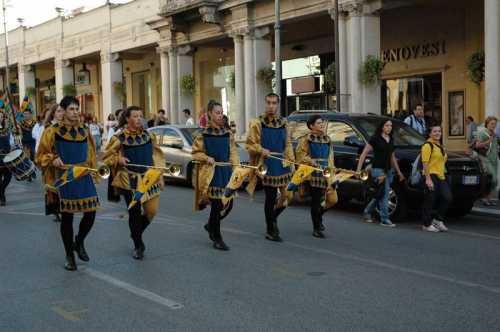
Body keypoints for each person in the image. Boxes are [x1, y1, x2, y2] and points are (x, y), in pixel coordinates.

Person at [35, 96, 100, 271]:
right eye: (71, 109)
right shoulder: (52, 130)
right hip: (64, 178)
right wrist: (53, 158)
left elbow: (91, 154)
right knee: (68, 218)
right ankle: (69, 256)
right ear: (63, 111)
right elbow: (40, 155)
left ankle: (78, 242)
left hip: (84, 175)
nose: (75, 112)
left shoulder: (84, 130)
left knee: (91, 212)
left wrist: (94, 173)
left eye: (77, 108)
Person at [103, 106, 165, 260]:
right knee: (134, 213)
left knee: (151, 211)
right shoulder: (119, 137)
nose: (139, 119)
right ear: (127, 119)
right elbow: (106, 157)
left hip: (149, 179)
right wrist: (119, 159)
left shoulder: (149, 136)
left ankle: (135, 232)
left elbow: (156, 156)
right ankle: (138, 245)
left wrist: (160, 176)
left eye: (140, 116)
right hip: (129, 181)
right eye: (135, 116)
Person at [246, 93, 294, 242]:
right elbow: (249, 144)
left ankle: (272, 218)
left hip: (282, 163)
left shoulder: (284, 122)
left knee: (288, 196)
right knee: (271, 197)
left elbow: (287, 144)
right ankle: (270, 228)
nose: (271, 106)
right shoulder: (257, 122)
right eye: (268, 103)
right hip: (267, 164)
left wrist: (291, 161)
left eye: (274, 103)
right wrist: (261, 149)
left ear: (278, 105)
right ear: (265, 103)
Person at [192, 101, 238, 250]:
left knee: (228, 205)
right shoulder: (202, 135)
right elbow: (195, 154)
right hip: (212, 174)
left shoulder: (228, 133)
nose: (220, 115)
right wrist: (206, 158)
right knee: (217, 205)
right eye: (217, 112)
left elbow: (233, 153)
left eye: (221, 112)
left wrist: (237, 170)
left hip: (226, 173)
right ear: (210, 114)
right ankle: (217, 238)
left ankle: (210, 226)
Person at [356, 119, 404, 227]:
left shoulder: (391, 139)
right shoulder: (375, 139)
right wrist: (358, 170)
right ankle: (385, 219)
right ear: (382, 127)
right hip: (378, 169)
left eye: (390, 126)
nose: (389, 127)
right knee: (385, 193)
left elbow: (392, 157)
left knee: (380, 193)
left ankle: (367, 211)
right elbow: (363, 154)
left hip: (389, 170)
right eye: (387, 125)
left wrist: (399, 172)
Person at [295, 115, 334, 238]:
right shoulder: (307, 138)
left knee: (332, 199)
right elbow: (300, 154)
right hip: (313, 173)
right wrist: (311, 161)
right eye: (318, 123)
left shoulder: (327, 139)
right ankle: (316, 228)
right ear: (311, 125)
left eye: (322, 123)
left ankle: (319, 217)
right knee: (316, 201)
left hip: (326, 172)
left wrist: (332, 173)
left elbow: (331, 157)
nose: (321, 125)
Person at [421, 124, 452, 232]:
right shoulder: (427, 145)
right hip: (431, 175)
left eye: (439, 131)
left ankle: (438, 220)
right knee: (430, 199)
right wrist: (428, 179)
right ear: (430, 134)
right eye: (435, 131)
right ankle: (426, 224)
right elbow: (425, 162)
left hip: (441, 175)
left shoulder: (440, 145)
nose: (437, 133)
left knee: (447, 197)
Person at [475, 116, 499, 206]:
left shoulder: (495, 134)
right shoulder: (483, 133)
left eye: (495, 124)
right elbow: (477, 145)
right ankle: (483, 196)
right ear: (487, 123)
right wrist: (488, 141)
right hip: (486, 159)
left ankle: (487, 199)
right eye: (492, 124)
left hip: (494, 159)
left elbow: (495, 147)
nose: (493, 125)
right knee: (492, 179)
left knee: (494, 181)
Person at [0, 109, 15, 206]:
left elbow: (12, 143)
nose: (0, 118)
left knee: (8, 177)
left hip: (7, 158)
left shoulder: (7, 130)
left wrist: (17, 136)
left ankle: (1, 190)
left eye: (1, 116)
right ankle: (2, 197)